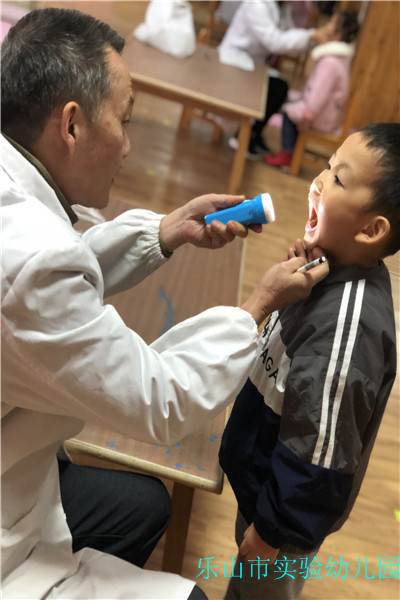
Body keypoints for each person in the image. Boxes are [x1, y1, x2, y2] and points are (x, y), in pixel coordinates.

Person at [0, 8, 329, 600]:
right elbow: (162, 399)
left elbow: (53, 277)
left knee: (146, 504)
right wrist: (255, 306)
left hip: (19, 469)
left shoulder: (18, 205)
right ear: (70, 125)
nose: (129, 146)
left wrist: (166, 231)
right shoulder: (35, 265)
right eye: (124, 121)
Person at [220, 123, 399, 599]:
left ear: (371, 230)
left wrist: (272, 530)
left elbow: (321, 451)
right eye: (327, 165)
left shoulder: (349, 327)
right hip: (266, 489)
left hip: (283, 519)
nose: (318, 181)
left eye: (338, 178)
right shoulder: (329, 271)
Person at [218, 0, 335, 158]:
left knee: (280, 88)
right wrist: (311, 35)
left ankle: (251, 134)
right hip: (236, 62)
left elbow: (287, 37)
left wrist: (311, 39)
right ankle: (246, 136)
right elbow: (276, 42)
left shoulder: (280, 8)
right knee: (277, 89)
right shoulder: (257, 5)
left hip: (253, 64)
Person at [266, 11, 359, 168]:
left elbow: (318, 95)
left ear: (338, 34)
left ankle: (288, 153)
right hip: (328, 113)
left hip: (320, 116)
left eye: (331, 23)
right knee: (291, 101)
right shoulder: (339, 59)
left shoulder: (330, 62)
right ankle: (291, 151)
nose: (326, 26)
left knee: (289, 112)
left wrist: (307, 116)